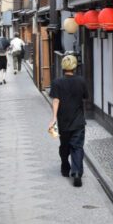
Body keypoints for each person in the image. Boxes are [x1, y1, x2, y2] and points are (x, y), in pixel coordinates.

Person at [49, 54, 88, 186]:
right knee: (77, 147)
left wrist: (54, 118)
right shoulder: (81, 81)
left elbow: (56, 100)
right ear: (75, 66)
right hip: (78, 120)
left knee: (64, 145)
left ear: (63, 66)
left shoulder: (57, 82)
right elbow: (84, 97)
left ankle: (65, 167)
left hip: (63, 121)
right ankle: (76, 172)